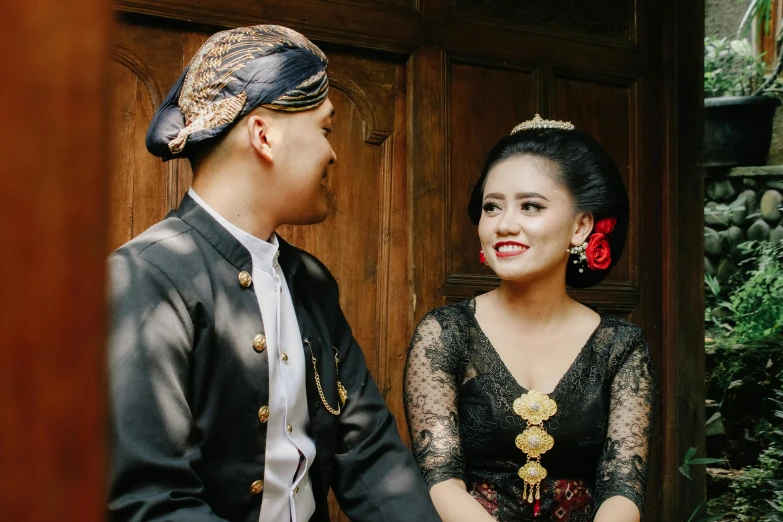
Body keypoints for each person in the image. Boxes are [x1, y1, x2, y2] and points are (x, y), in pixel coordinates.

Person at [107, 24, 440, 522]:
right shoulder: (143, 276)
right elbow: (152, 500)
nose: (332, 152)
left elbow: (369, 453)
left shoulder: (312, 280)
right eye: (325, 129)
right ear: (264, 135)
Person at [403, 115, 655, 521]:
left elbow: (623, 486)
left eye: (531, 206)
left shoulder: (621, 347)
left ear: (580, 226)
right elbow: (441, 479)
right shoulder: (446, 333)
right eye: (492, 207)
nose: (504, 225)